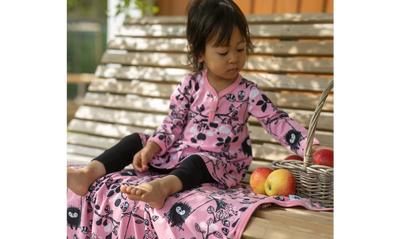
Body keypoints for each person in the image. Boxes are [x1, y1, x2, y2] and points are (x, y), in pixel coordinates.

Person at [64, 0, 335, 209]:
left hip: (221, 162)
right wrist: (151, 147)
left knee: (198, 160)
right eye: (223, 52)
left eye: (241, 49)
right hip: (179, 153)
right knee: (135, 139)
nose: (234, 59)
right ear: (199, 53)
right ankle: (89, 172)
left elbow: (277, 121)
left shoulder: (248, 93)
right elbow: (173, 123)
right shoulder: (190, 85)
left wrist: (310, 148)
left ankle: (162, 188)